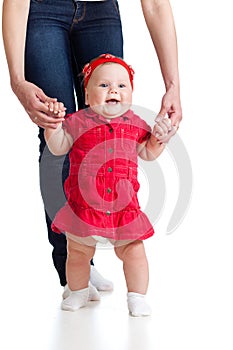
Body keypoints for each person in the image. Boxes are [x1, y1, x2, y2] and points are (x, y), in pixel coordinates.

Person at [2, 0, 182, 289]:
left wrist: (173, 86)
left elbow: (156, 4)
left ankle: (101, 247)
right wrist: (17, 79)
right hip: (42, 11)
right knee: (55, 126)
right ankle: (73, 262)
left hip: (101, 12)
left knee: (109, 126)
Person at [44, 54, 175, 316]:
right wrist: (52, 126)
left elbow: (147, 153)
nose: (113, 89)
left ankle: (137, 297)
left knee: (134, 251)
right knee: (78, 253)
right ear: (88, 95)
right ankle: (79, 291)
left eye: (121, 86)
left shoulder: (136, 124)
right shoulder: (78, 122)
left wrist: (159, 139)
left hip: (123, 208)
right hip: (84, 207)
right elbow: (58, 147)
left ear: (130, 95)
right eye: (103, 85)